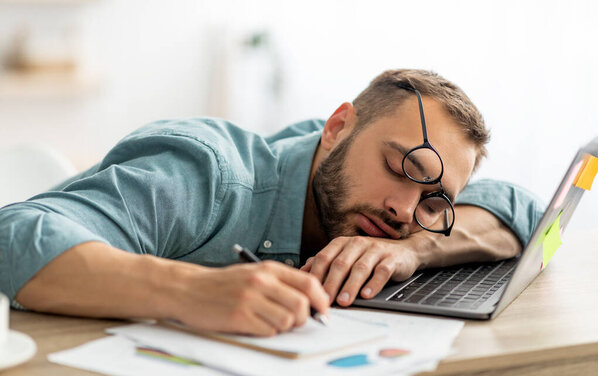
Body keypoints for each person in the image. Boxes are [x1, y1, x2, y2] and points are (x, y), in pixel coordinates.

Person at [0, 69, 543, 336]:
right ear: (336, 129)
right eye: (401, 167)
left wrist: (416, 251)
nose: (404, 209)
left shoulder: (403, 221)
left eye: (433, 199)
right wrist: (191, 291)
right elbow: (14, 234)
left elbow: (524, 209)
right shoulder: (208, 173)